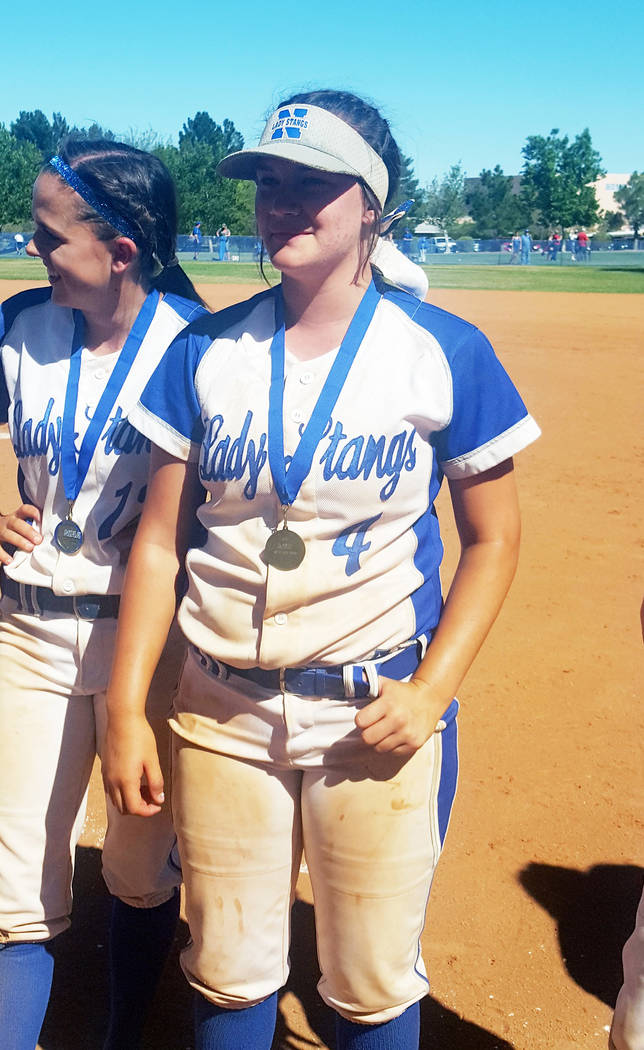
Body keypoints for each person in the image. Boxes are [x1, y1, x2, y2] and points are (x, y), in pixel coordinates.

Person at [103, 89, 541, 1050]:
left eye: (315, 186)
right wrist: (126, 705)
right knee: (226, 971)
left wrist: (432, 694)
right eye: (270, 183)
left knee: (369, 983)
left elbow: (495, 538)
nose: (283, 204)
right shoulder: (207, 350)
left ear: (372, 205)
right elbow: (158, 543)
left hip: (373, 716)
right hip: (219, 708)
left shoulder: (442, 354)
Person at [0, 139, 207, 1050]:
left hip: (148, 647)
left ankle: (128, 1031)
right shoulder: (18, 324)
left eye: (48, 235)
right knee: (16, 886)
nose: (30, 247)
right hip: (27, 631)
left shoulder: (199, 347)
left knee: (137, 867)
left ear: (120, 251)